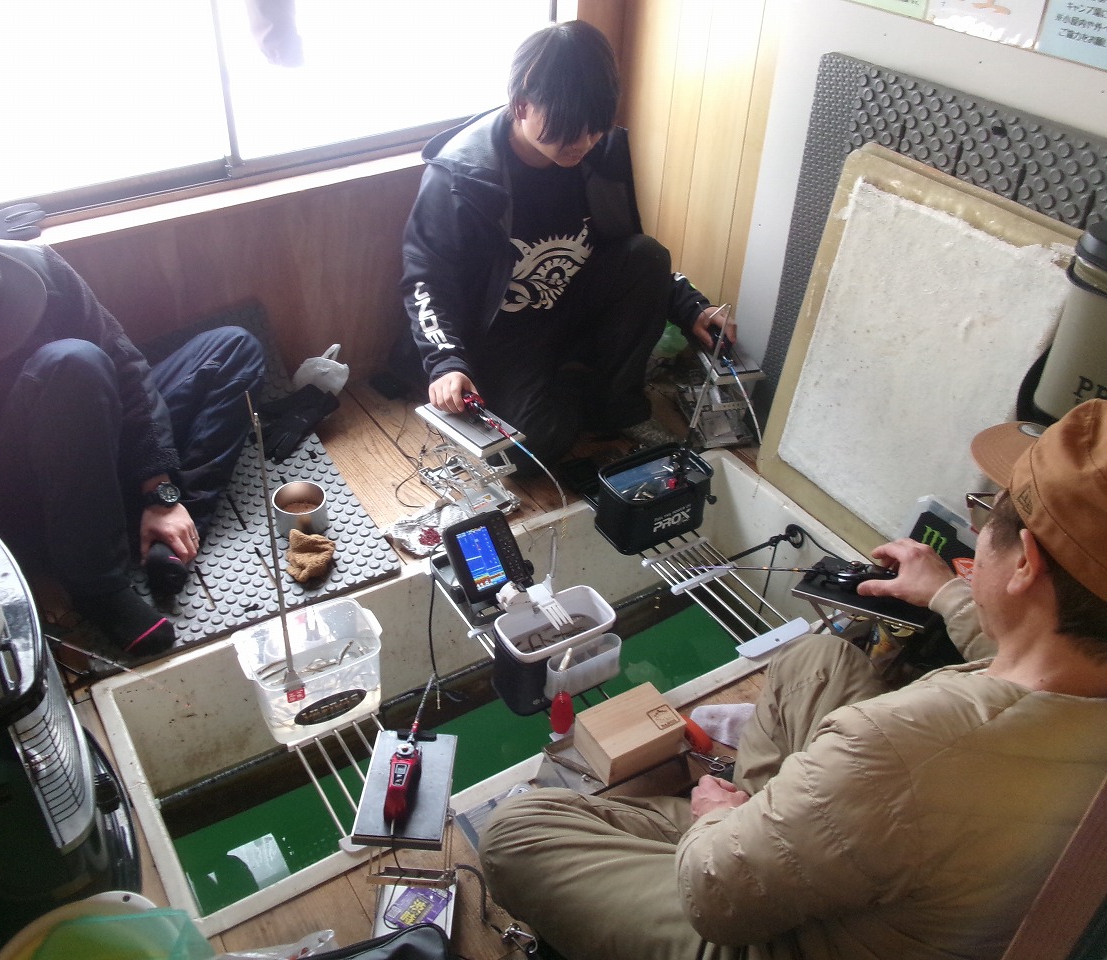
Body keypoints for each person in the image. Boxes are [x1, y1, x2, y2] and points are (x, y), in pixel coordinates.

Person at [478, 400, 1107, 960]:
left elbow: (714, 898)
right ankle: (769, 824)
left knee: (516, 831)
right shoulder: (1074, 686)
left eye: (987, 514)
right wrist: (946, 593)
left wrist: (716, 817)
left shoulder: (899, 744)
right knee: (821, 661)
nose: (980, 530)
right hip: (903, 877)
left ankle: (751, 826)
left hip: (765, 926)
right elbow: (1034, 645)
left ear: (1024, 562)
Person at [0, 215, 265, 657]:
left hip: (90, 437)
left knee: (232, 347)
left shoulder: (39, 268)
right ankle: (98, 587)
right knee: (72, 364)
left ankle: (168, 528)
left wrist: (160, 491)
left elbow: (127, 369)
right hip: (5, 495)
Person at [397, 20, 728, 468]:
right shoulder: (461, 176)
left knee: (647, 254)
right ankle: (576, 383)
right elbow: (426, 280)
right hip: (499, 335)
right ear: (521, 105)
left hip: (567, 305)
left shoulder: (598, 152)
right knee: (528, 451)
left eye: (595, 129)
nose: (584, 143)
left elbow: (624, 248)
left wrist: (691, 306)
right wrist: (446, 362)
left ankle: (617, 405)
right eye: (570, 130)